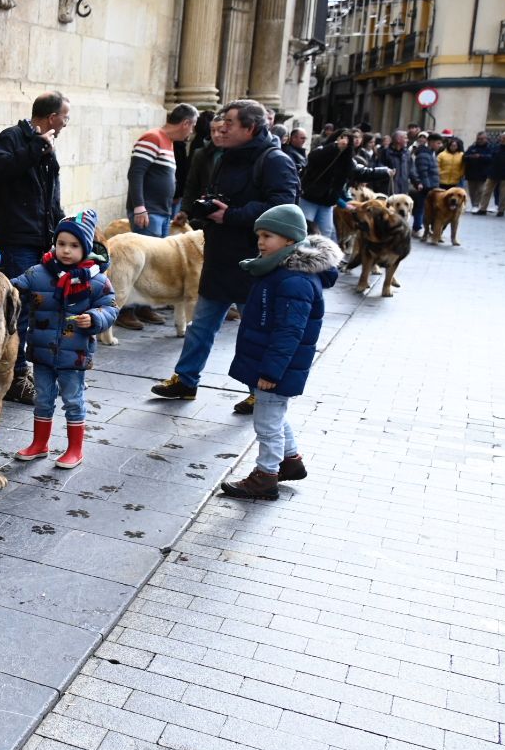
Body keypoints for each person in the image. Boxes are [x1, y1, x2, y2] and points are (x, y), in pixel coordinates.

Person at [152, 99, 299, 412]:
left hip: (256, 262)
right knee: (201, 326)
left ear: (251, 128)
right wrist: (205, 208)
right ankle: (185, 380)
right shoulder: (225, 155)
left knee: (255, 330)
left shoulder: (275, 160)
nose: (221, 127)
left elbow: (284, 208)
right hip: (220, 256)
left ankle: (259, 391)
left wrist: (231, 214)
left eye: (229, 123)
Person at [219, 204, 341, 501]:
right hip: (269, 361)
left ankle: (265, 476)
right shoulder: (278, 269)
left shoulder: (294, 279)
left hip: (276, 366)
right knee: (273, 412)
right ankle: (290, 461)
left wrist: (271, 371)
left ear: (289, 239)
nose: (260, 242)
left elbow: (289, 331)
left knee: (267, 422)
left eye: (268, 236)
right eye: (259, 235)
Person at [13, 209, 119, 469]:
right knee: (43, 398)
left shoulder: (97, 281)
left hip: (74, 355)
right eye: (61, 243)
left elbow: (110, 307)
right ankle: (40, 443)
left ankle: (75, 449)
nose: (66, 250)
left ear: (86, 248)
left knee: (73, 400)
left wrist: (94, 318)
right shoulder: (38, 273)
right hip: (42, 352)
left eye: (74, 245)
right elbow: (12, 287)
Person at [0, 92, 68, 405]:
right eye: (65, 118)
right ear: (51, 118)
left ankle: (15, 368)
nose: (66, 124)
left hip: (40, 242)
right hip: (15, 243)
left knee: (29, 308)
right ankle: (13, 376)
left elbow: (50, 198)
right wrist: (34, 148)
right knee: (15, 310)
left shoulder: (45, 149)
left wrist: (62, 231)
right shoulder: (13, 138)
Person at [117, 103, 198, 330]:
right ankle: (125, 311)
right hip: (149, 212)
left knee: (154, 264)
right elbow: (136, 174)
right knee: (140, 264)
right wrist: (139, 207)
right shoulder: (152, 138)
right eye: (192, 126)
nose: (191, 132)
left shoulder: (168, 142)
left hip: (161, 213)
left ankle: (144, 307)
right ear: (186, 123)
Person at [299, 127, 360, 239]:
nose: (344, 142)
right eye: (341, 138)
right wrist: (335, 147)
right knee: (303, 230)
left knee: (326, 232)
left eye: (347, 139)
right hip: (310, 198)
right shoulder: (324, 149)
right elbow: (313, 157)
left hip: (327, 202)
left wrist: (384, 172)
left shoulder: (347, 160)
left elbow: (358, 172)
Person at [465, 131, 493, 210]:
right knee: (472, 191)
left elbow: (491, 158)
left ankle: (476, 205)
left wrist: (480, 156)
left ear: (486, 139)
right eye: (478, 139)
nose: (479, 140)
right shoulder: (472, 147)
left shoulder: (490, 148)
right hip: (471, 172)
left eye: (482, 139)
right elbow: (465, 156)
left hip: (483, 173)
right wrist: (471, 157)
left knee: (481, 190)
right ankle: (473, 204)